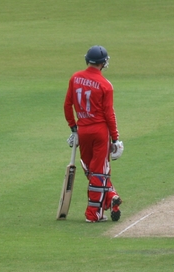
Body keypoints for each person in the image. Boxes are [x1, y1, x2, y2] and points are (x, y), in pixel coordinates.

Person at [64, 45, 124, 223]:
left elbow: (67, 105)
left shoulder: (75, 78)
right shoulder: (106, 85)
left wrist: (73, 128)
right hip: (100, 132)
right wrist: (116, 138)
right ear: (103, 63)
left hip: (83, 130)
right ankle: (93, 214)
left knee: (92, 171)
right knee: (99, 172)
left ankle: (110, 196)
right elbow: (109, 113)